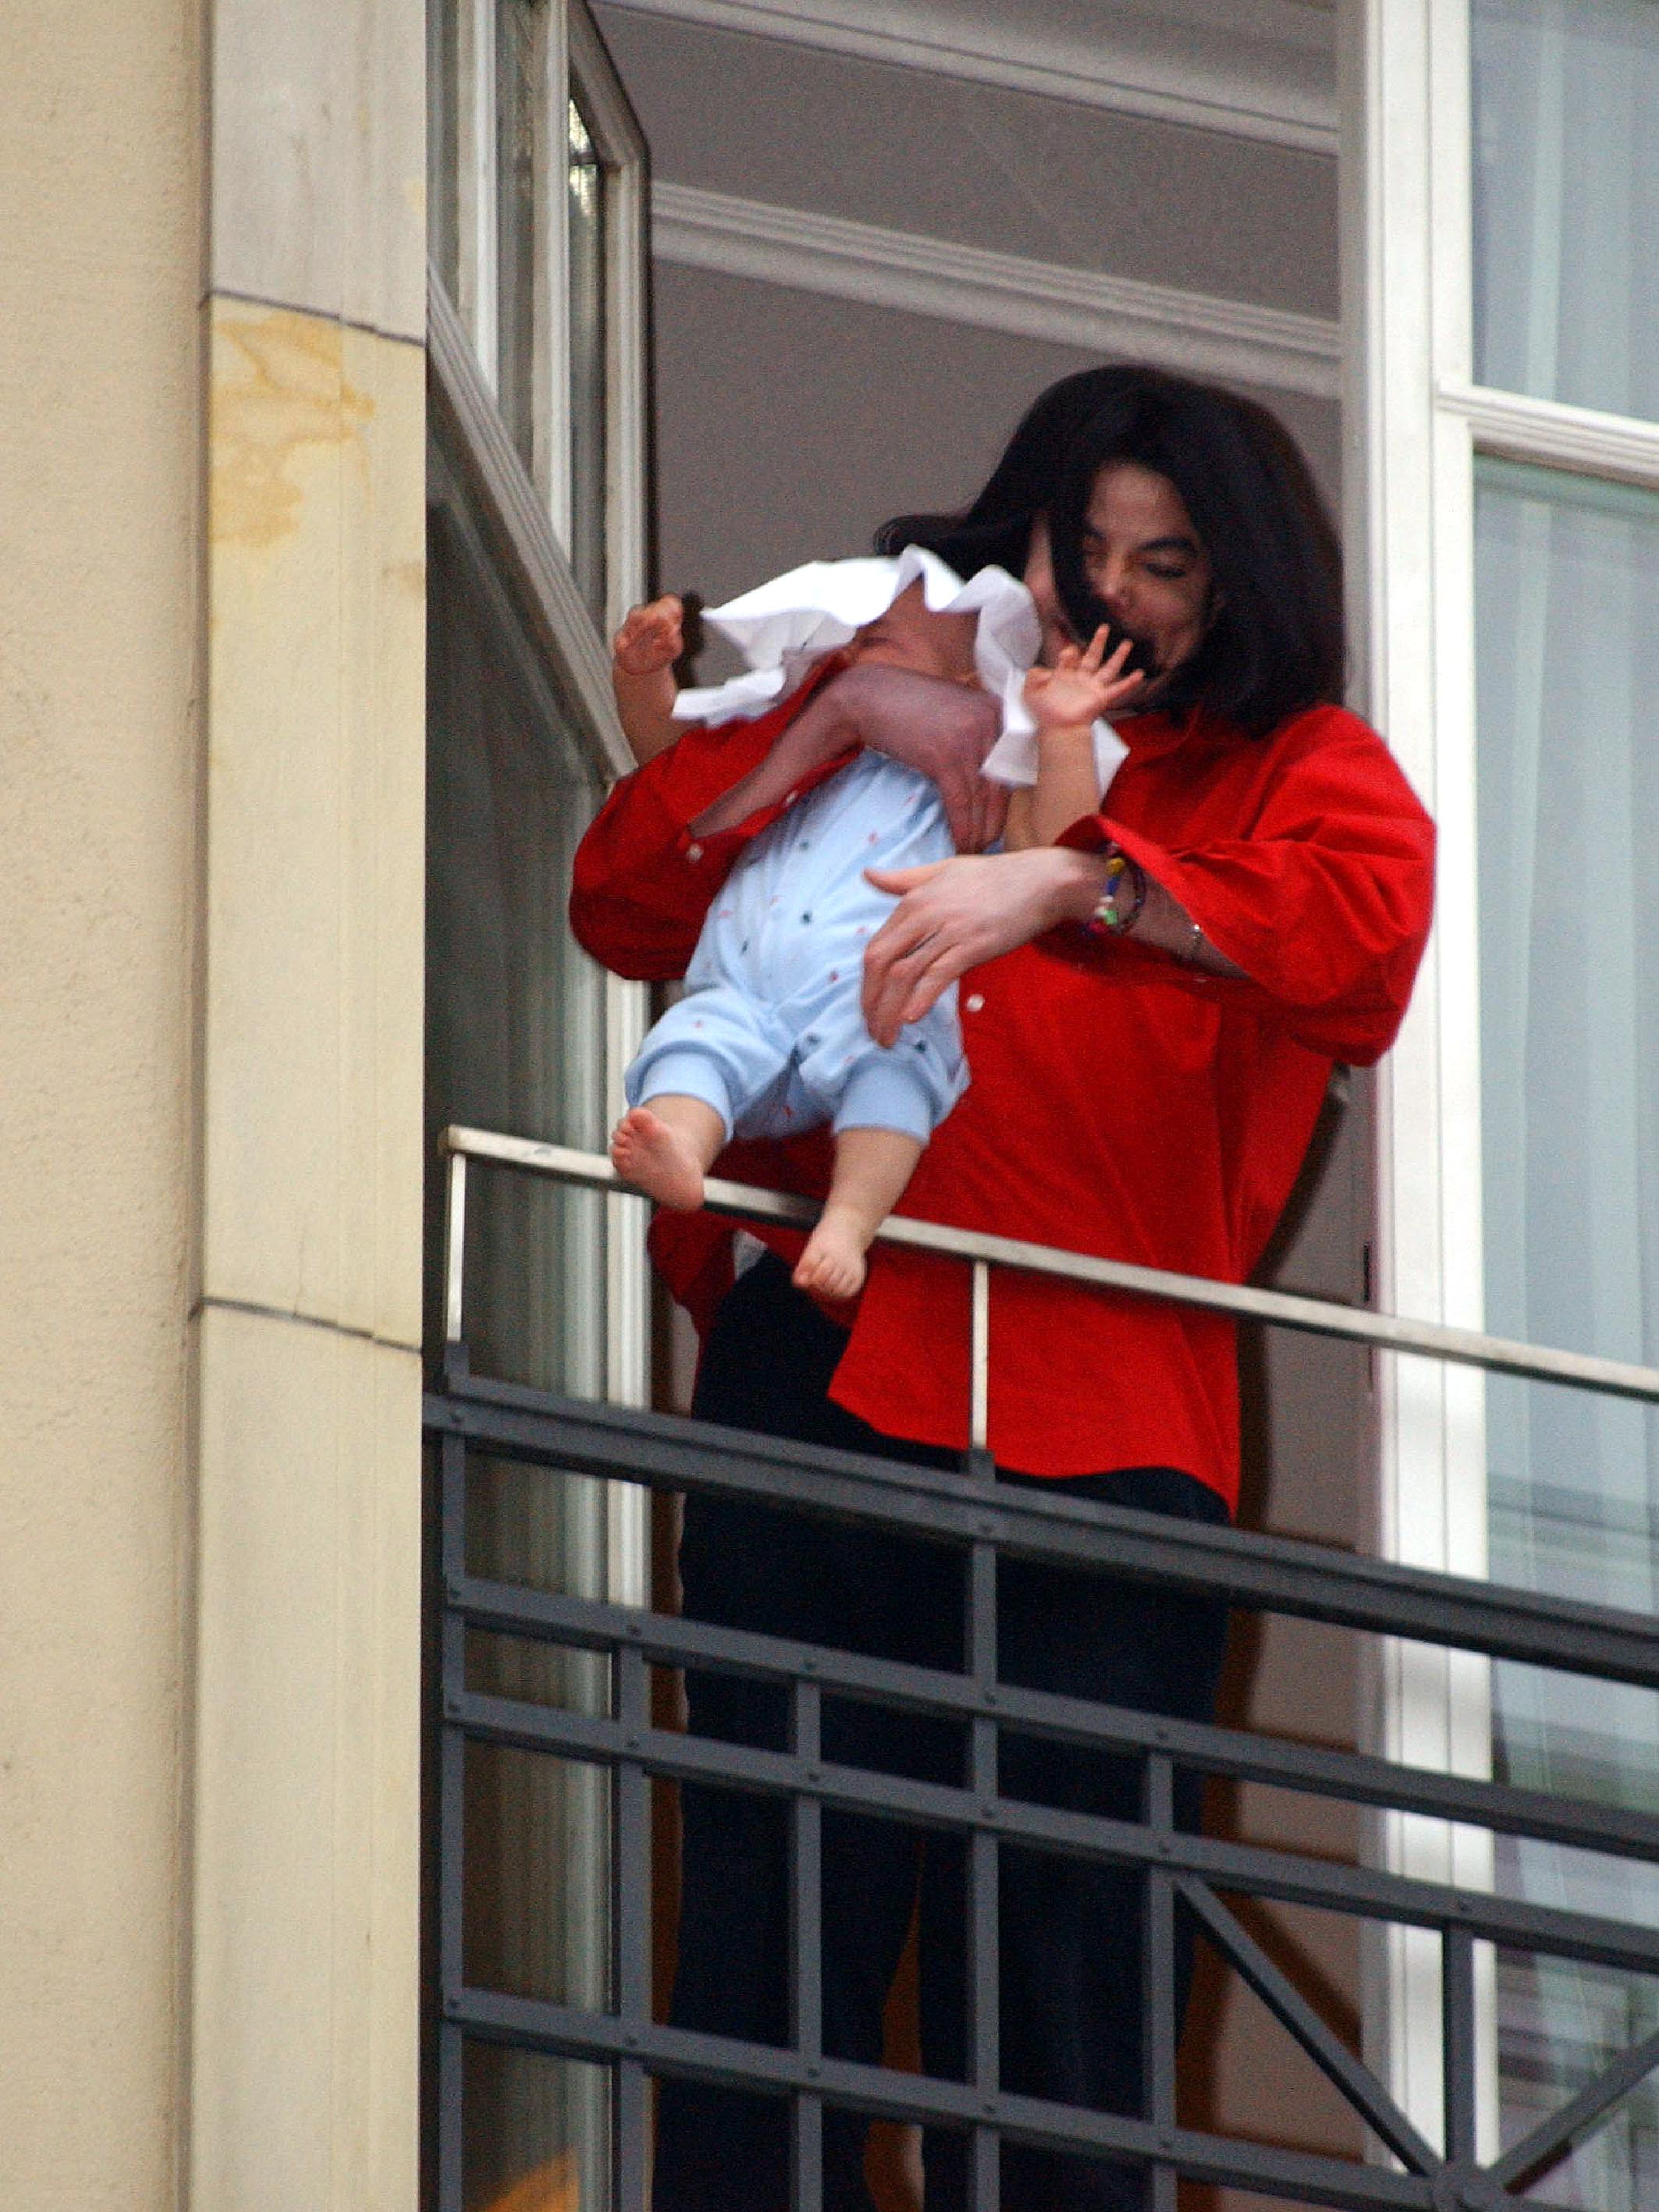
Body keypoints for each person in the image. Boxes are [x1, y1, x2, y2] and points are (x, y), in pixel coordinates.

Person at [569, 364, 1437, 2212]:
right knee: (772, 1920)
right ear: (1019, 529)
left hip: (1099, 1418)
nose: (1110, 595)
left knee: (1060, 1973)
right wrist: (841, 718)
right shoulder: (910, 687)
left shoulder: (1290, 772)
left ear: (1232, 589)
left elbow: (1353, 947)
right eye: (1082, 543)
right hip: (825, 1338)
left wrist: (1066, 882)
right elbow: (630, 900)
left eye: (1167, 564)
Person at [608, 547, 1144, 1298]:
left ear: (968, 676)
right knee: (693, 1043)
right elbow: (672, 772)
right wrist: (644, 680)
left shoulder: (985, 767)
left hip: (879, 994)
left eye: (878, 637)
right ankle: (682, 1155)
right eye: (847, 639)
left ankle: (849, 1224)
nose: (850, 652)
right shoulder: (802, 746)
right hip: (742, 991)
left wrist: (1060, 732)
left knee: (900, 1068)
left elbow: (1055, 844)